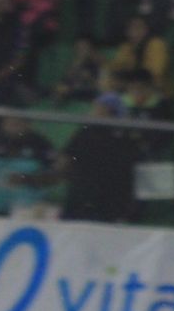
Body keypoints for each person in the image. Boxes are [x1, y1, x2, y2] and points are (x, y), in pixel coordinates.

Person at [56, 94, 141, 224]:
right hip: (112, 205)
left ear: (106, 111)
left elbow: (62, 163)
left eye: (96, 108)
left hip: (85, 199)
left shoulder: (86, 133)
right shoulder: (129, 138)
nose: (92, 112)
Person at [0, 114, 54, 216]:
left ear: (27, 124)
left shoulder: (41, 144)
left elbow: (53, 177)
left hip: (27, 209)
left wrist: (26, 179)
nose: (12, 127)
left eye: (17, 123)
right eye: (8, 123)